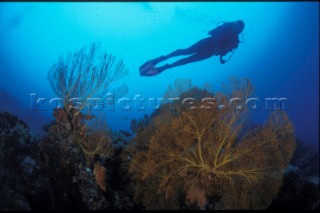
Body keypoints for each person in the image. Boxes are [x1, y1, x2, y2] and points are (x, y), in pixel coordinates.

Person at [139, 20, 245, 77]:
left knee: (188, 60)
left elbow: (226, 51)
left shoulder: (235, 40)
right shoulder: (227, 27)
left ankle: (166, 67)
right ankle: (162, 58)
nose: (237, 29)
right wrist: (219, 50)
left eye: (239, 29)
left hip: (210, 52)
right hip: (208, 43)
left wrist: (222, 57)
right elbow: (219, 35)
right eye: (237, 26)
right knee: (186, 52)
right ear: (236, 25)